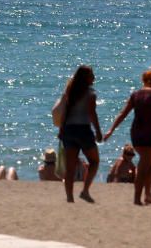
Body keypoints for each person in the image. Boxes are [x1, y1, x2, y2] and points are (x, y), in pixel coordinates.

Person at [103, 65, 151, 205]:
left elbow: (123, 114)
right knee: (144, 166)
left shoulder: (135, 95)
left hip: (137, 133)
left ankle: (147, 195)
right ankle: (136, 198)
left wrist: (111, 130)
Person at [57, 64, 103, 203]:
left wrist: (61, 129)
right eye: (91, 75)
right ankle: (85, 190)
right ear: (86, 78)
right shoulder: (90, 94)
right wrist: (98, 131)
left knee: (70, 168)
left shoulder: (70, 91)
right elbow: (91, 113)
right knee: (94, 161)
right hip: (83, 129)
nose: (94, 77)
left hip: (69, 129)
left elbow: (65, 112)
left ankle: (70, 198)